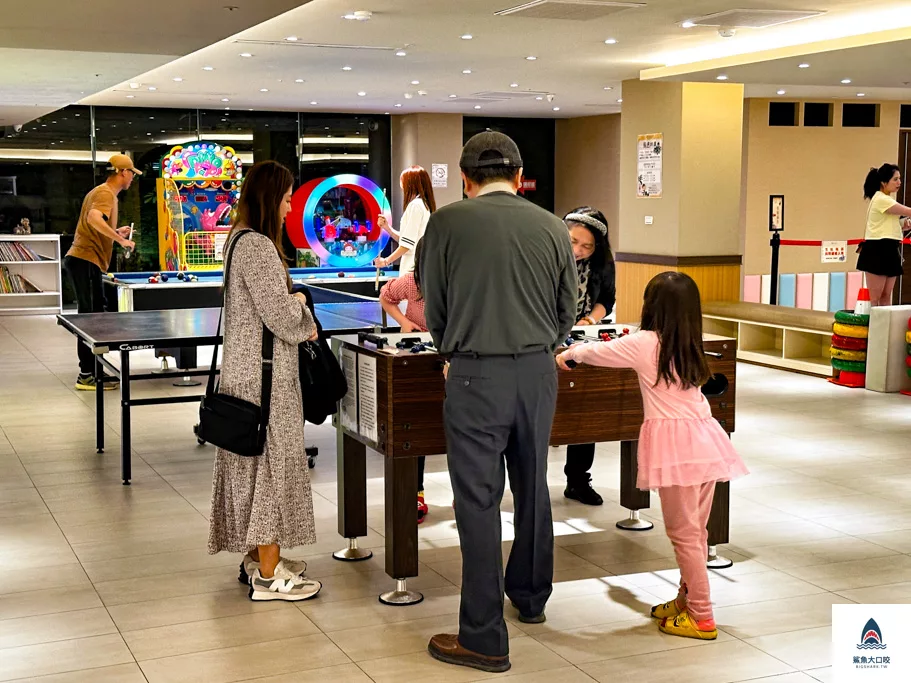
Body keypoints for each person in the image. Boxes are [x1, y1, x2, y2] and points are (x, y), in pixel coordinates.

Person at [420, 132, 577, 674]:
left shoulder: (445, 225)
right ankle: (531, 597)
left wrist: (454, 348)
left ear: (465, 179)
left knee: (478, 503)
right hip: (537, 372)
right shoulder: (552, 226)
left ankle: (485, 636)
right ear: (519, 174)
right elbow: (568, 310)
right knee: (533, 487)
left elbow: (433, 307)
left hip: (473, 374)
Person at [557, 272, 748, 640]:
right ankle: (685, 600)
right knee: (696, 531)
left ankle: (702, 617)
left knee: (685, 534)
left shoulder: (645, 342)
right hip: (706, 439)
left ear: (651, 306)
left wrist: (569, 354)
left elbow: (596, 351)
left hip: (676, 447)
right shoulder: (689, 340)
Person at [208, 160, 323, 602]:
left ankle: (258, 557)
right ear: (269, 198)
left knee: (252, 466)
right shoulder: (257, 246)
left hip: (247, 373)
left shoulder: (238, 240)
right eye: (288, 197)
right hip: (265, 379)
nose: (291, 207)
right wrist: (301, 305)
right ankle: (270, 576)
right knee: (271, 467)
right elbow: (281, 314)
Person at [63, 154, 138, 390]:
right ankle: (86, 375)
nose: (133, 178)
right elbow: (93, 218)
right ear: (122, 173)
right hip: (84, 259)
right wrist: (120, 240)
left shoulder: (103, 192)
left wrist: (115, 231)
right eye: (132, 173)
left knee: (95, 315)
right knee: (90, 319)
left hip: (87, 261)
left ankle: (93, 371)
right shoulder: (105, 193)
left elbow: (93, 223)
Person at [561, 206, 616, 506]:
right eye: (573, 241)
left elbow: (606, 298)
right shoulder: (547, 254)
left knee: (584, 409)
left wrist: (590, 320)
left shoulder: (603, 264)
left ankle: (578, 480)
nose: (579, 250)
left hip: (582, 338)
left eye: (587, 246)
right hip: (544, 337)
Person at [379, 240, 431, 522]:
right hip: (416, 355)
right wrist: (404, 321)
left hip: (451, 353)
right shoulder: (411, 282)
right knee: (416, 429)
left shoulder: (460, 277)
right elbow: (385, 296)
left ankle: (464, 494)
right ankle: (415, 492)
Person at [858, 164, 911, 306]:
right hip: (876, 249)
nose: (899, 182)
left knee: (886, 295)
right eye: (895, 179)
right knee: (875, 298)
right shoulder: (881, 199)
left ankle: (885, 327)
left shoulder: (888, 200)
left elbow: (890, 223)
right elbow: (908, 211)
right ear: (883, 182)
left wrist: (904, 224)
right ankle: (875, 328)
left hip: (890, 248)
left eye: (900, 179)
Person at [375, 166, 436, 273]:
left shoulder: (415, 206)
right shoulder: (423, 204)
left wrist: (386, 261)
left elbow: (407, 244)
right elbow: (407, 239)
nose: (401, 185)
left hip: (411, 267)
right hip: (417, 265)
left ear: (410, 183)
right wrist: (387, 228)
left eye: (402, 181)